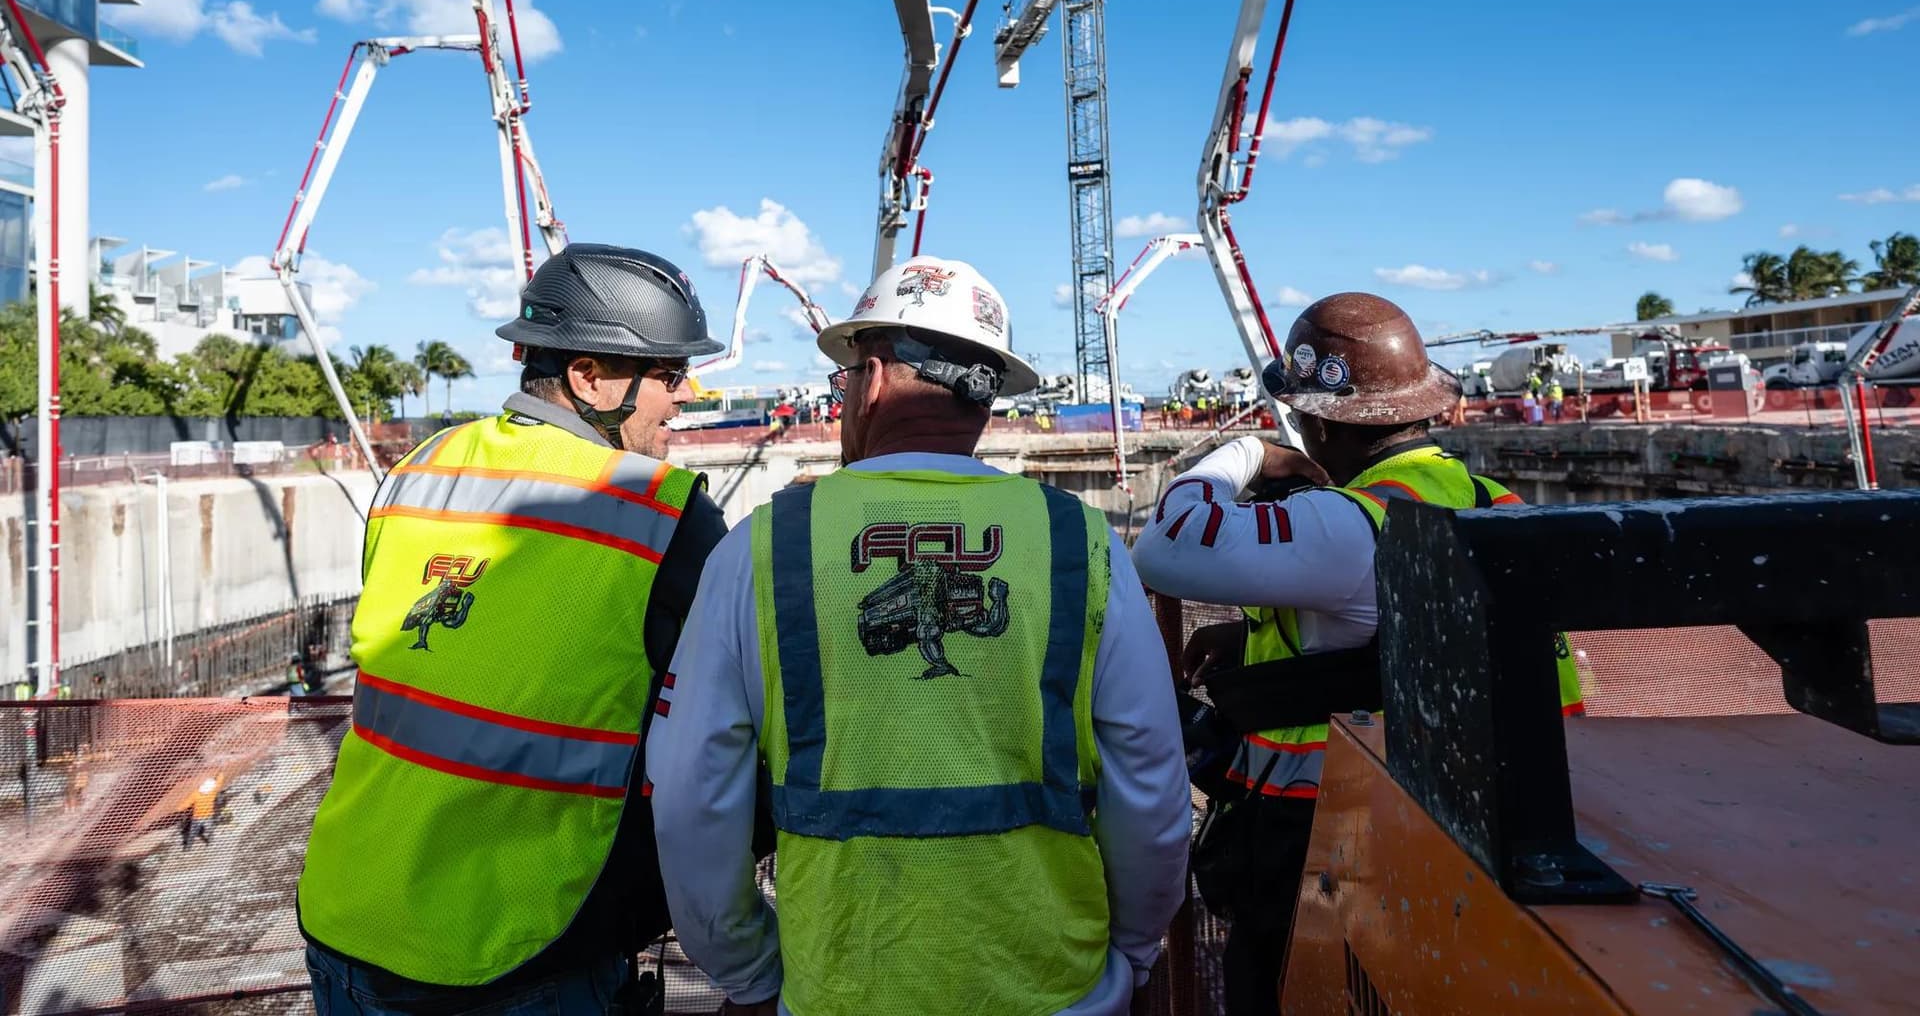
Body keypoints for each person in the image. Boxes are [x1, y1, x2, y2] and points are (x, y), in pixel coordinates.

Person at [648, 255, 1191, 1016]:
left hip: (838, 993)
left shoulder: (761, 549)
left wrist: (748, 971)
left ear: (870, 379)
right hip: (1059, 988)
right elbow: (1153, 785)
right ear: (986, 398)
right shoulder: (1082, 542)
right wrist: (1131, 948)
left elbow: (690, 796)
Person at [298, 244, 731, 1016]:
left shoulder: (421, 470)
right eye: (668, 373)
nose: (685, 394)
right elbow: (723, 732)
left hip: (345, 914)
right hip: (513, 947)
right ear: (589, 377)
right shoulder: (661, 513)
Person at [1130, 292, 1583, 1015]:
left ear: (1316, 422)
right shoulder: (1489, 500)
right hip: (1507, 818)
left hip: (1328, 837)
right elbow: (1407, 635)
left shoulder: (1348, 520)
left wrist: (1249, 452)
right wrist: (1259, 643)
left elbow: (1165, 546)